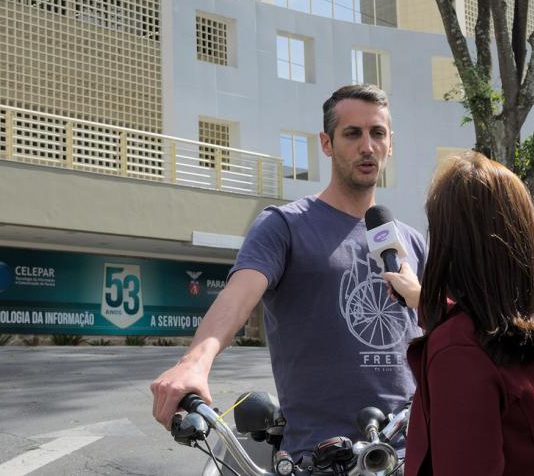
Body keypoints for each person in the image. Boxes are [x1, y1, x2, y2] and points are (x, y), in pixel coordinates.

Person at [151, 84, 427, 461]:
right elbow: (237, 299)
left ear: (390, 143)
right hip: (319, 460)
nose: (367, 146)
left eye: (377, 133)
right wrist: (193, 364)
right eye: (352, 133)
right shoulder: (284, 225)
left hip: (413, 454)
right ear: (326, 144)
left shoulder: (411, 241)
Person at [384, 151, 534, 476]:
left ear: (452, 242)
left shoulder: (457, 349)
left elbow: (472, 344)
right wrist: (422, 298)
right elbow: (497, 327)